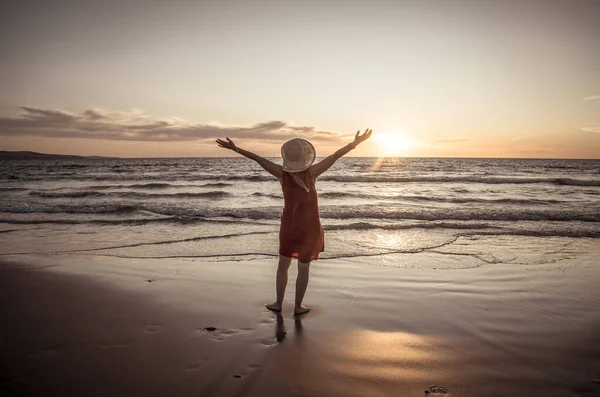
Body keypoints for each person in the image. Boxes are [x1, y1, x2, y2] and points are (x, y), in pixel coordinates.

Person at [216, 128, 373, 314]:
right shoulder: (313, 173)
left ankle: (278, 304)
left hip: (289, 226)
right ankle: (298, 307)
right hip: (310, 228)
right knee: (303, 268)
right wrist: (355, 143)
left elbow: (258, 158)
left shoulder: (281, 174)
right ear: (305, 157)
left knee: (283, 266)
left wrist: (236, 149)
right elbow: (336, 155)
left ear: (287, 158)